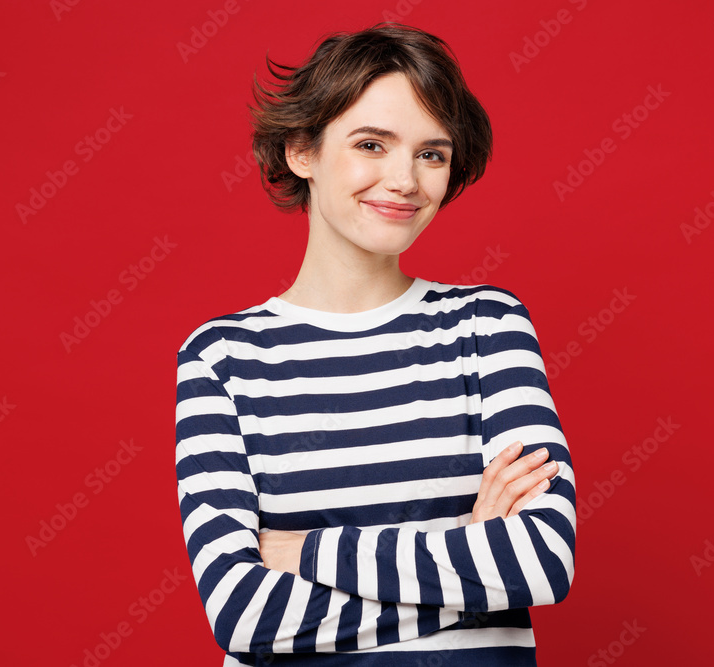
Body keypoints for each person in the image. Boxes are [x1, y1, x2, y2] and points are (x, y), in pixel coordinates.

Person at [175, 22, 575, 666]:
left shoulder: (486, 326)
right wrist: (465, 552)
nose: (405, 180)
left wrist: (299, 551)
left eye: (431, 154)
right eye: (371, 144)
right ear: (302, 151)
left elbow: (539, 561)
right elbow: (244, 615)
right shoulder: (222, 357)